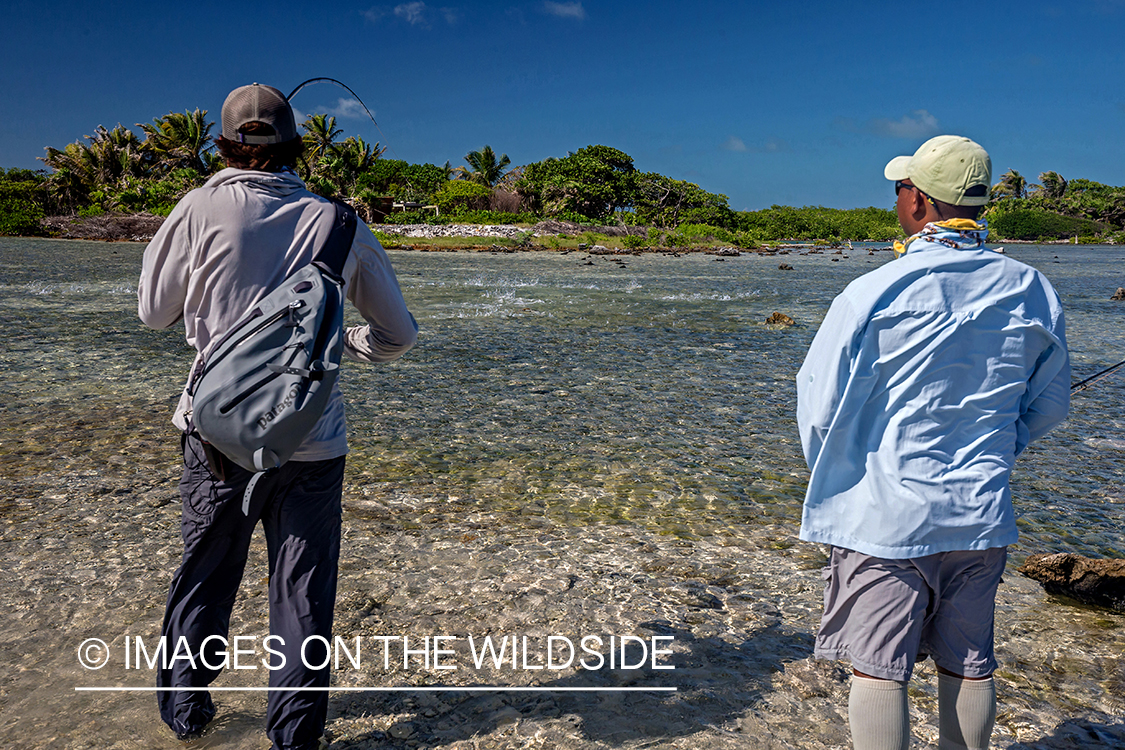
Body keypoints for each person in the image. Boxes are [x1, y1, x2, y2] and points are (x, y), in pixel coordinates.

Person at [138, 83, 418, 749]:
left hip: (214, 435)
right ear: (296, 144)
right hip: (313, 442)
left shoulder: (198, 208)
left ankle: (186, 719)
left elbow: (152, 312)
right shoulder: (338, 222)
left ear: (224, 143)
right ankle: (293, 739)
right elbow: (399, 335)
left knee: (205, 576)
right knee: (302, 597)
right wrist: (343, 345)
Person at [796, 135, 1069, 750]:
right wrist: (997, 448)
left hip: (886, 518)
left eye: (900, 188)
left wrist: (840, 477)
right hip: (981, 513)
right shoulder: (1032, 289)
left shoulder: (872, 291)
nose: (897, 199)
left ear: (919, 200)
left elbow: (817, 406)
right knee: (969, 663)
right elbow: (1049, 405)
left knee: (878, 670)